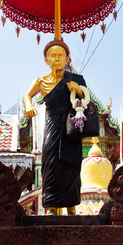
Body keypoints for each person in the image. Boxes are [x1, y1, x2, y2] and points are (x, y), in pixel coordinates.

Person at [24, 40, 86, 215]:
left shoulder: (76, 79)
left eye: (61, 55)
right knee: (51, 163)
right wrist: (29, 105)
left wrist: (78, 91)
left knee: (71, 164)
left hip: (71, 125)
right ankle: (51, 206)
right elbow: (28, 95)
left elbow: (86, 103)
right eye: (54, 55)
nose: (57, 58)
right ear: (46, 60)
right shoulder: (40, 81)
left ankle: (71, 207)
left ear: (67, 59)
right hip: (52, 124)